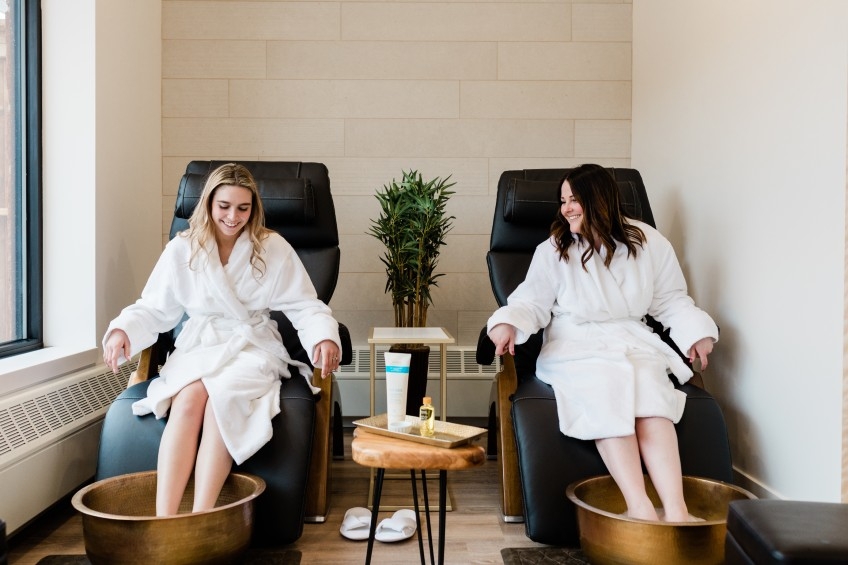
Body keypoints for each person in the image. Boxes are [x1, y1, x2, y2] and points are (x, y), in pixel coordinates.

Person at [102, 163, 341, 516]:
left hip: (251, 347)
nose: (233, 217)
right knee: (188, 400)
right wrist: (123, 329)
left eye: (243, 208)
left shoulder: (271, 246)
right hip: (200, 344)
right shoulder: (183, 249)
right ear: (209, 204)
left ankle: (201, 516)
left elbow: (304, 304)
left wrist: (324, 336)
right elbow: (154, 307)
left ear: (254, 208)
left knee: (222, 400)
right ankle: (165, 520)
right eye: (224, 206)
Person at [487, 164, 717, 522]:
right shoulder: (554, 249)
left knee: (651, 396)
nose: (566, 209)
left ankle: (677, 510)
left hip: (631, 340)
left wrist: (695, 332)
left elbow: (672, 300)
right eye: (562, 201)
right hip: (575, 343)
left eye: (574, 200)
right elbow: (530, 301)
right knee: (606, 386)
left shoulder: (650, 242)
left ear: (599, 199)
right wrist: (508, 325)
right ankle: (639, 506)